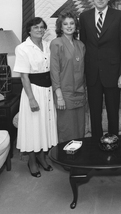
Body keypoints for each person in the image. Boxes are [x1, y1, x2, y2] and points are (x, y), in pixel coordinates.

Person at [79, 0, 121, 140]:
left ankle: (113, 143)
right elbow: (83, 46)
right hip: (92, 74)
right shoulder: (84, 16)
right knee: (94, 113)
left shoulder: (120, 17)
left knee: (113, 112)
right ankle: (96, 145)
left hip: (113, 75)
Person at [14, 17, 58, 178]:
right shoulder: (22, 48)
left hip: (47, 91)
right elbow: (24, 77)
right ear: (29, 30)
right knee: (33, 126)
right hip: (33, 91)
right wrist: (31, 99)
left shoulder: (48, 45)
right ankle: (32, 160)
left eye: (41, 27)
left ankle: (42, 156)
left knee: (44, 125)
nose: (39, 30)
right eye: (35, 27)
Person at [50, 12, 86, 143]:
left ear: (76, 26)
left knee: (79, 128)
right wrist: (59, 96)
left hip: (80, 93)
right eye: (65, 24)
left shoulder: (80, 45)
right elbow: (54, 71)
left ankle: (79, 160)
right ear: (60, 27)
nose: (69, 26)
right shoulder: (56, 44)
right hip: (64, 94)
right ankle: (66, 160)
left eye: (72, 23)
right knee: (67, 129)